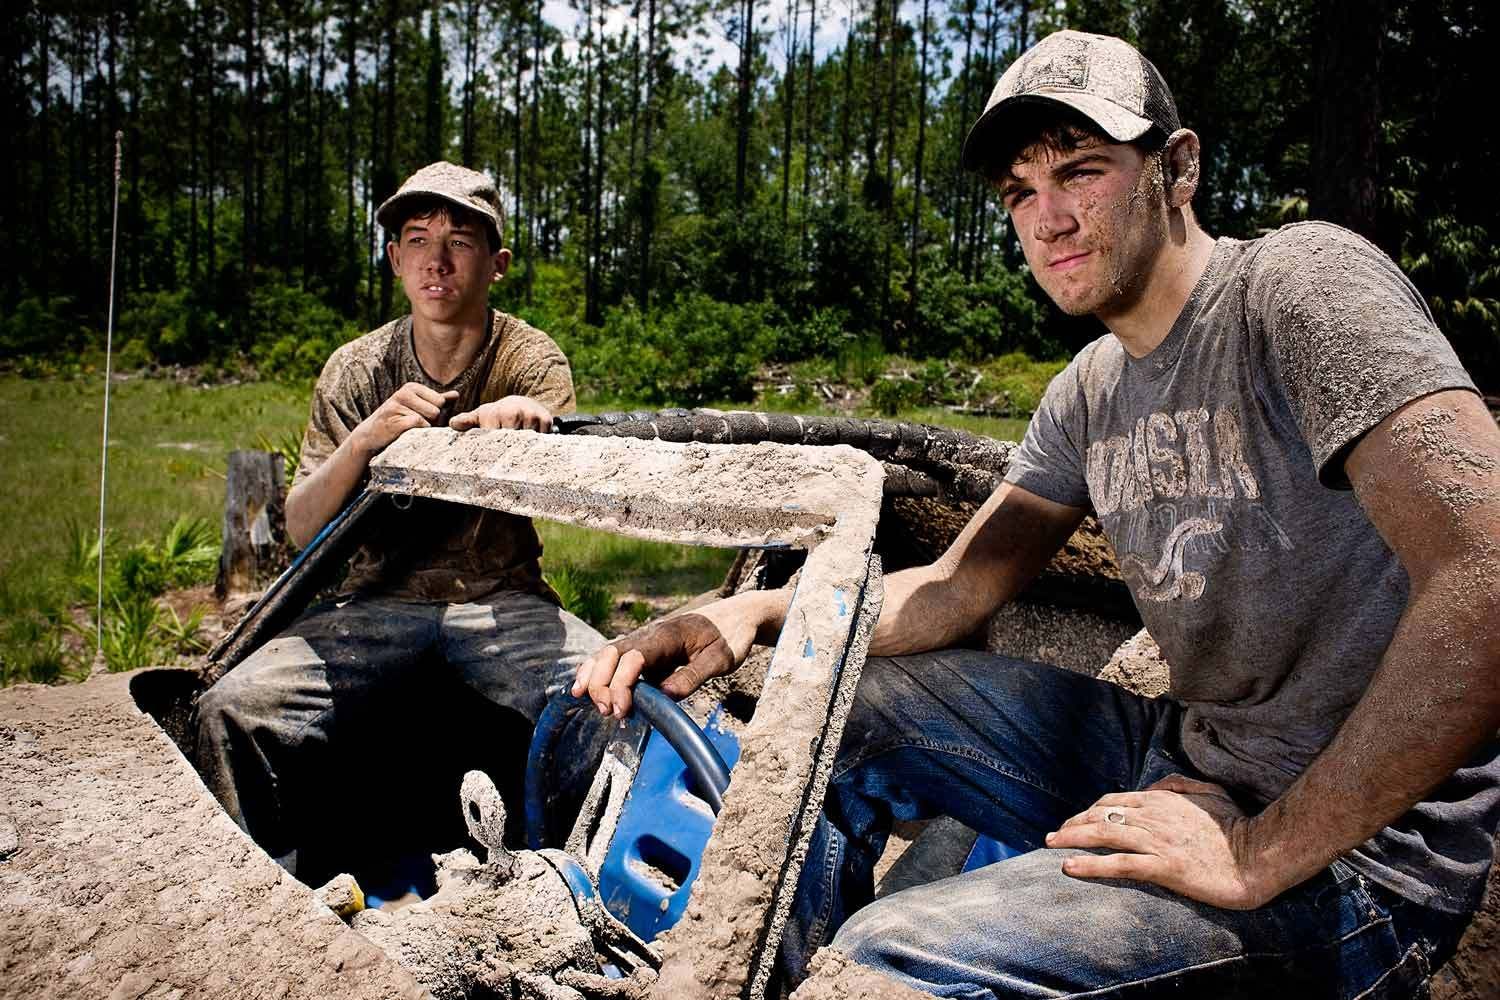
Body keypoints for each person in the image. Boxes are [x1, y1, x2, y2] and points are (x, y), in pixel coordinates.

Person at [572, 29, 1500, 996]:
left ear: (1176, 169)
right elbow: (954, 587)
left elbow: (1490, 569)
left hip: (1361, 858)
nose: (1046, 218)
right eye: (1020, 191)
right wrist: (757, 614)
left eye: (1081, 170)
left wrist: (1260, 852)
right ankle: (772, 974)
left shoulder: (1296, 289)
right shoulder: (1092, 389)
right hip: (1183, 759)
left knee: (893, 951)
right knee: (847, 714)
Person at [196, 162, 601, 878]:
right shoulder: (356, 371)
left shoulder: (529, 360)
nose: (436, 261)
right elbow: (297, 529)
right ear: (394, 259)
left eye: (460, 241)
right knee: (232, 707)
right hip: (374, 606)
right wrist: (363, 443)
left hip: (501, 603)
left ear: (497, 263)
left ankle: (581, 890)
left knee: (614, 699)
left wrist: (529, 439)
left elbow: (571, 501)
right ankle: (268, 909)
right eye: (416, 239)